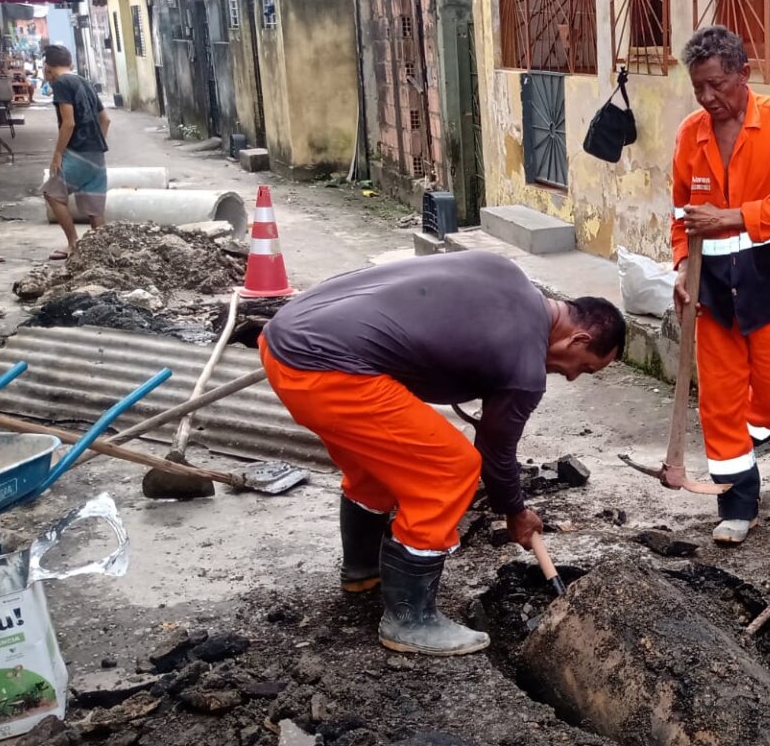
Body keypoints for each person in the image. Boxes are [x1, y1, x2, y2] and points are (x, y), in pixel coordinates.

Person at [259, 251, 625, 655]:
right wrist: (516, 512)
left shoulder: (502, 270)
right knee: (449, 468)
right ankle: (409, 621)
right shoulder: (525, 362)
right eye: (585, 368)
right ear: (579, 339)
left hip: (283, 341)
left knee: (380, 466)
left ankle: (364, 572)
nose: (573, 377)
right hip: (327, 368)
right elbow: (494, 450)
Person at [672, 26, 770, 545]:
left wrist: (730, 218)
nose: (708, 98)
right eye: (698, 89)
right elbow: (681, 217)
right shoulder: (691, 134)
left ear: (743, 74)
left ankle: (744, 447)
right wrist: (679, 267)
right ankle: (736, 504)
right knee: (719, 400)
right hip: (710, 287)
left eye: (716, 85)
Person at [41, 44, 109, 261]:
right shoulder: (85, 82)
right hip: (96, 153)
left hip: (77, 151)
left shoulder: (61, 83)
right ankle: (100, 251)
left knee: (52, 193)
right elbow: (105, 119)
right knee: (94, 208)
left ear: (47, 68)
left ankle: (73, 243)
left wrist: (58, 154)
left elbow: (68, 123)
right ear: (69, 63)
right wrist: (95, 143)